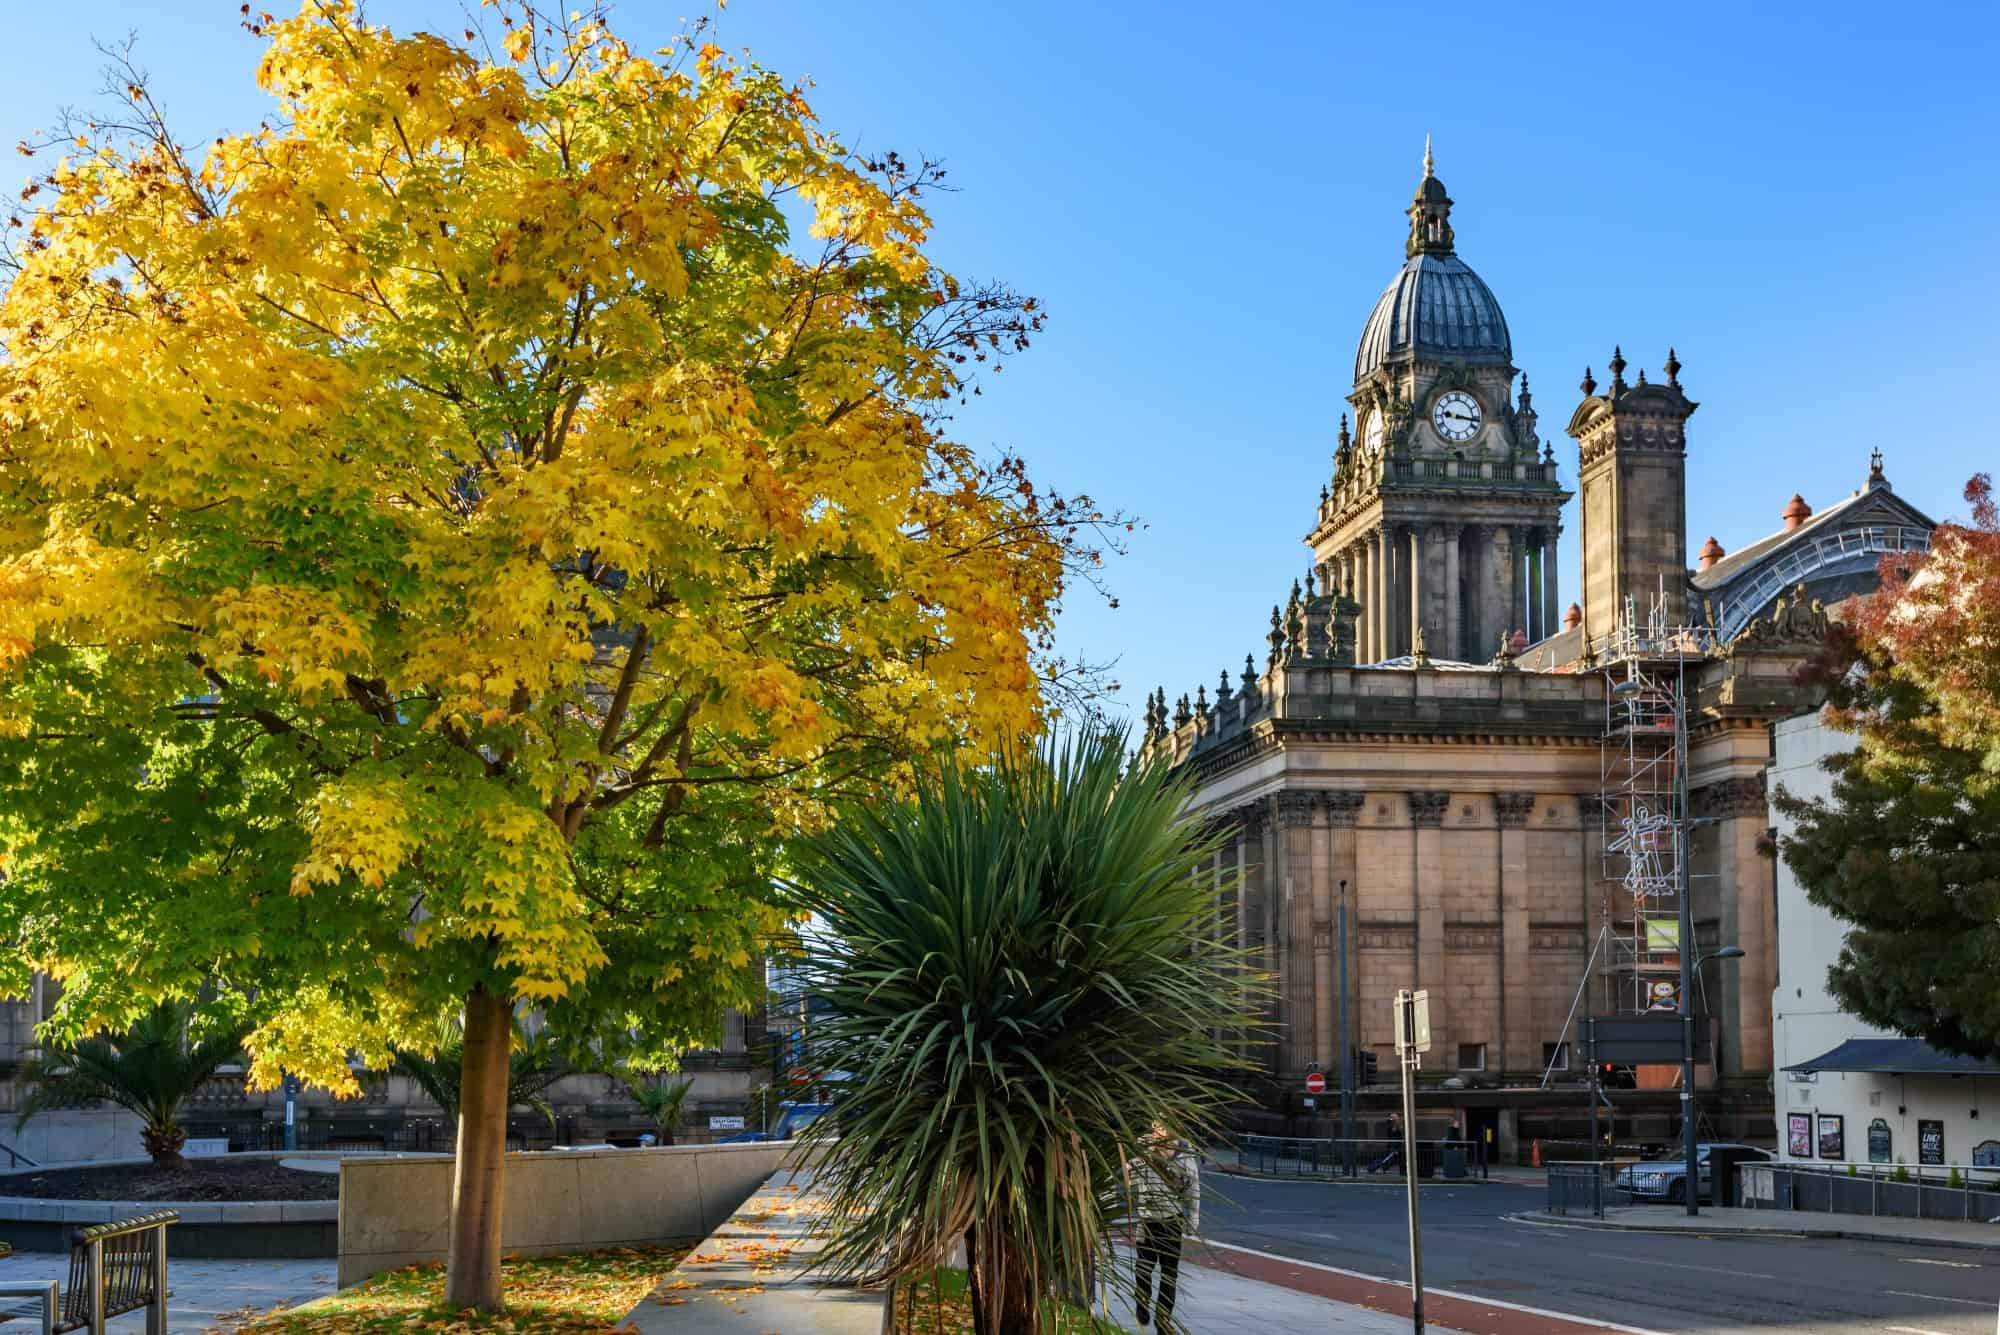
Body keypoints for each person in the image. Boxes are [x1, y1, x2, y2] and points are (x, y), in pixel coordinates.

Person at [1129, 1123, 1199, 1328]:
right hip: (1147, 1220)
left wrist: (1193, 1216)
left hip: (1171, 1221)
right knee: (1143, 1268)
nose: (1154, 1128)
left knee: (1169, 1274)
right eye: (1153, 1124)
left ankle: (1163, 1320)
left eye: (1160, 1124)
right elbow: (1129, 1174)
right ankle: (1141, 1304)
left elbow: (1193, 1186)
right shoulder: (1145, 1149)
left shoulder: (1185, 1153)